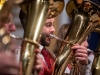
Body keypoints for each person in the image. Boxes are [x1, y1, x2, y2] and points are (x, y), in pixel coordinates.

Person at [19, 10, 91, 75]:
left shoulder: (51, 55)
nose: (53, 29)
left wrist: (82, 65)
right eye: (48, 25)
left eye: (53, 25)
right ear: (33, 26)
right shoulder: (20, 55)